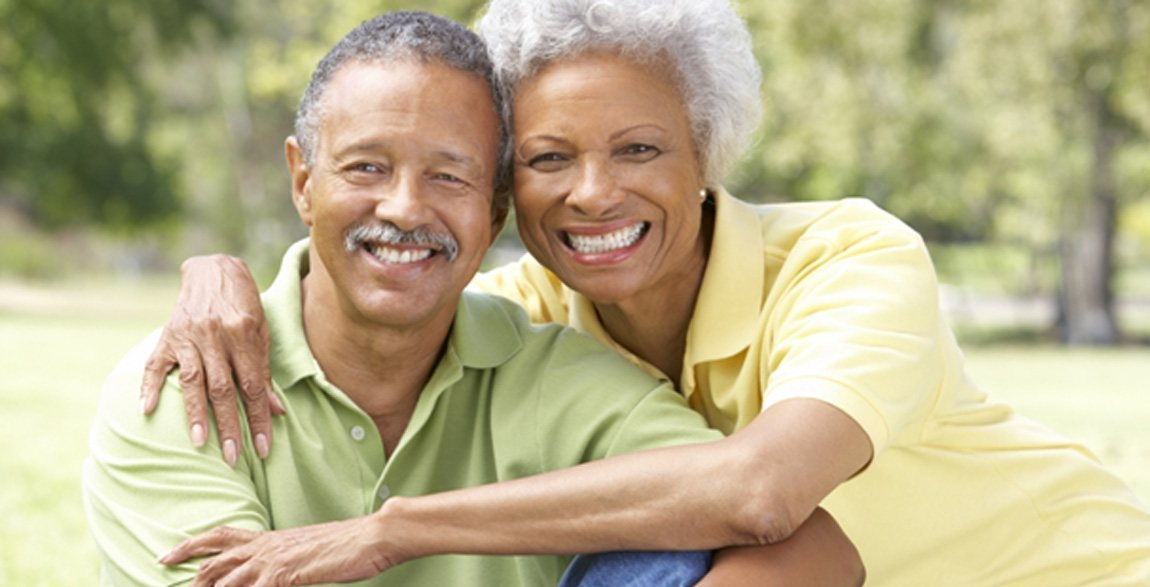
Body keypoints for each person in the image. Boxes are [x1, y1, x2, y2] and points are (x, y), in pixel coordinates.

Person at [146, 0, 1150, 585]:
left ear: (706, 152)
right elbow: (375, 268)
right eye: (548, 156)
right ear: (506, 182)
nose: (593, 192)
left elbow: (760, 492)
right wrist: (215, 277)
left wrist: (395, 525)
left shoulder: (847, 255)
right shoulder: (530, 312)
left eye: (640, 148)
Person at [84, 11, 865, 586]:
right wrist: (213, 268)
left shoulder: (554, 372)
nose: (404, 208)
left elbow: (809, 543)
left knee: (666, 547)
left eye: (449, 175)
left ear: (492, 215)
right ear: (302, 182)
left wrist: (394, 532)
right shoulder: (185, 385)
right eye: (364, 168)